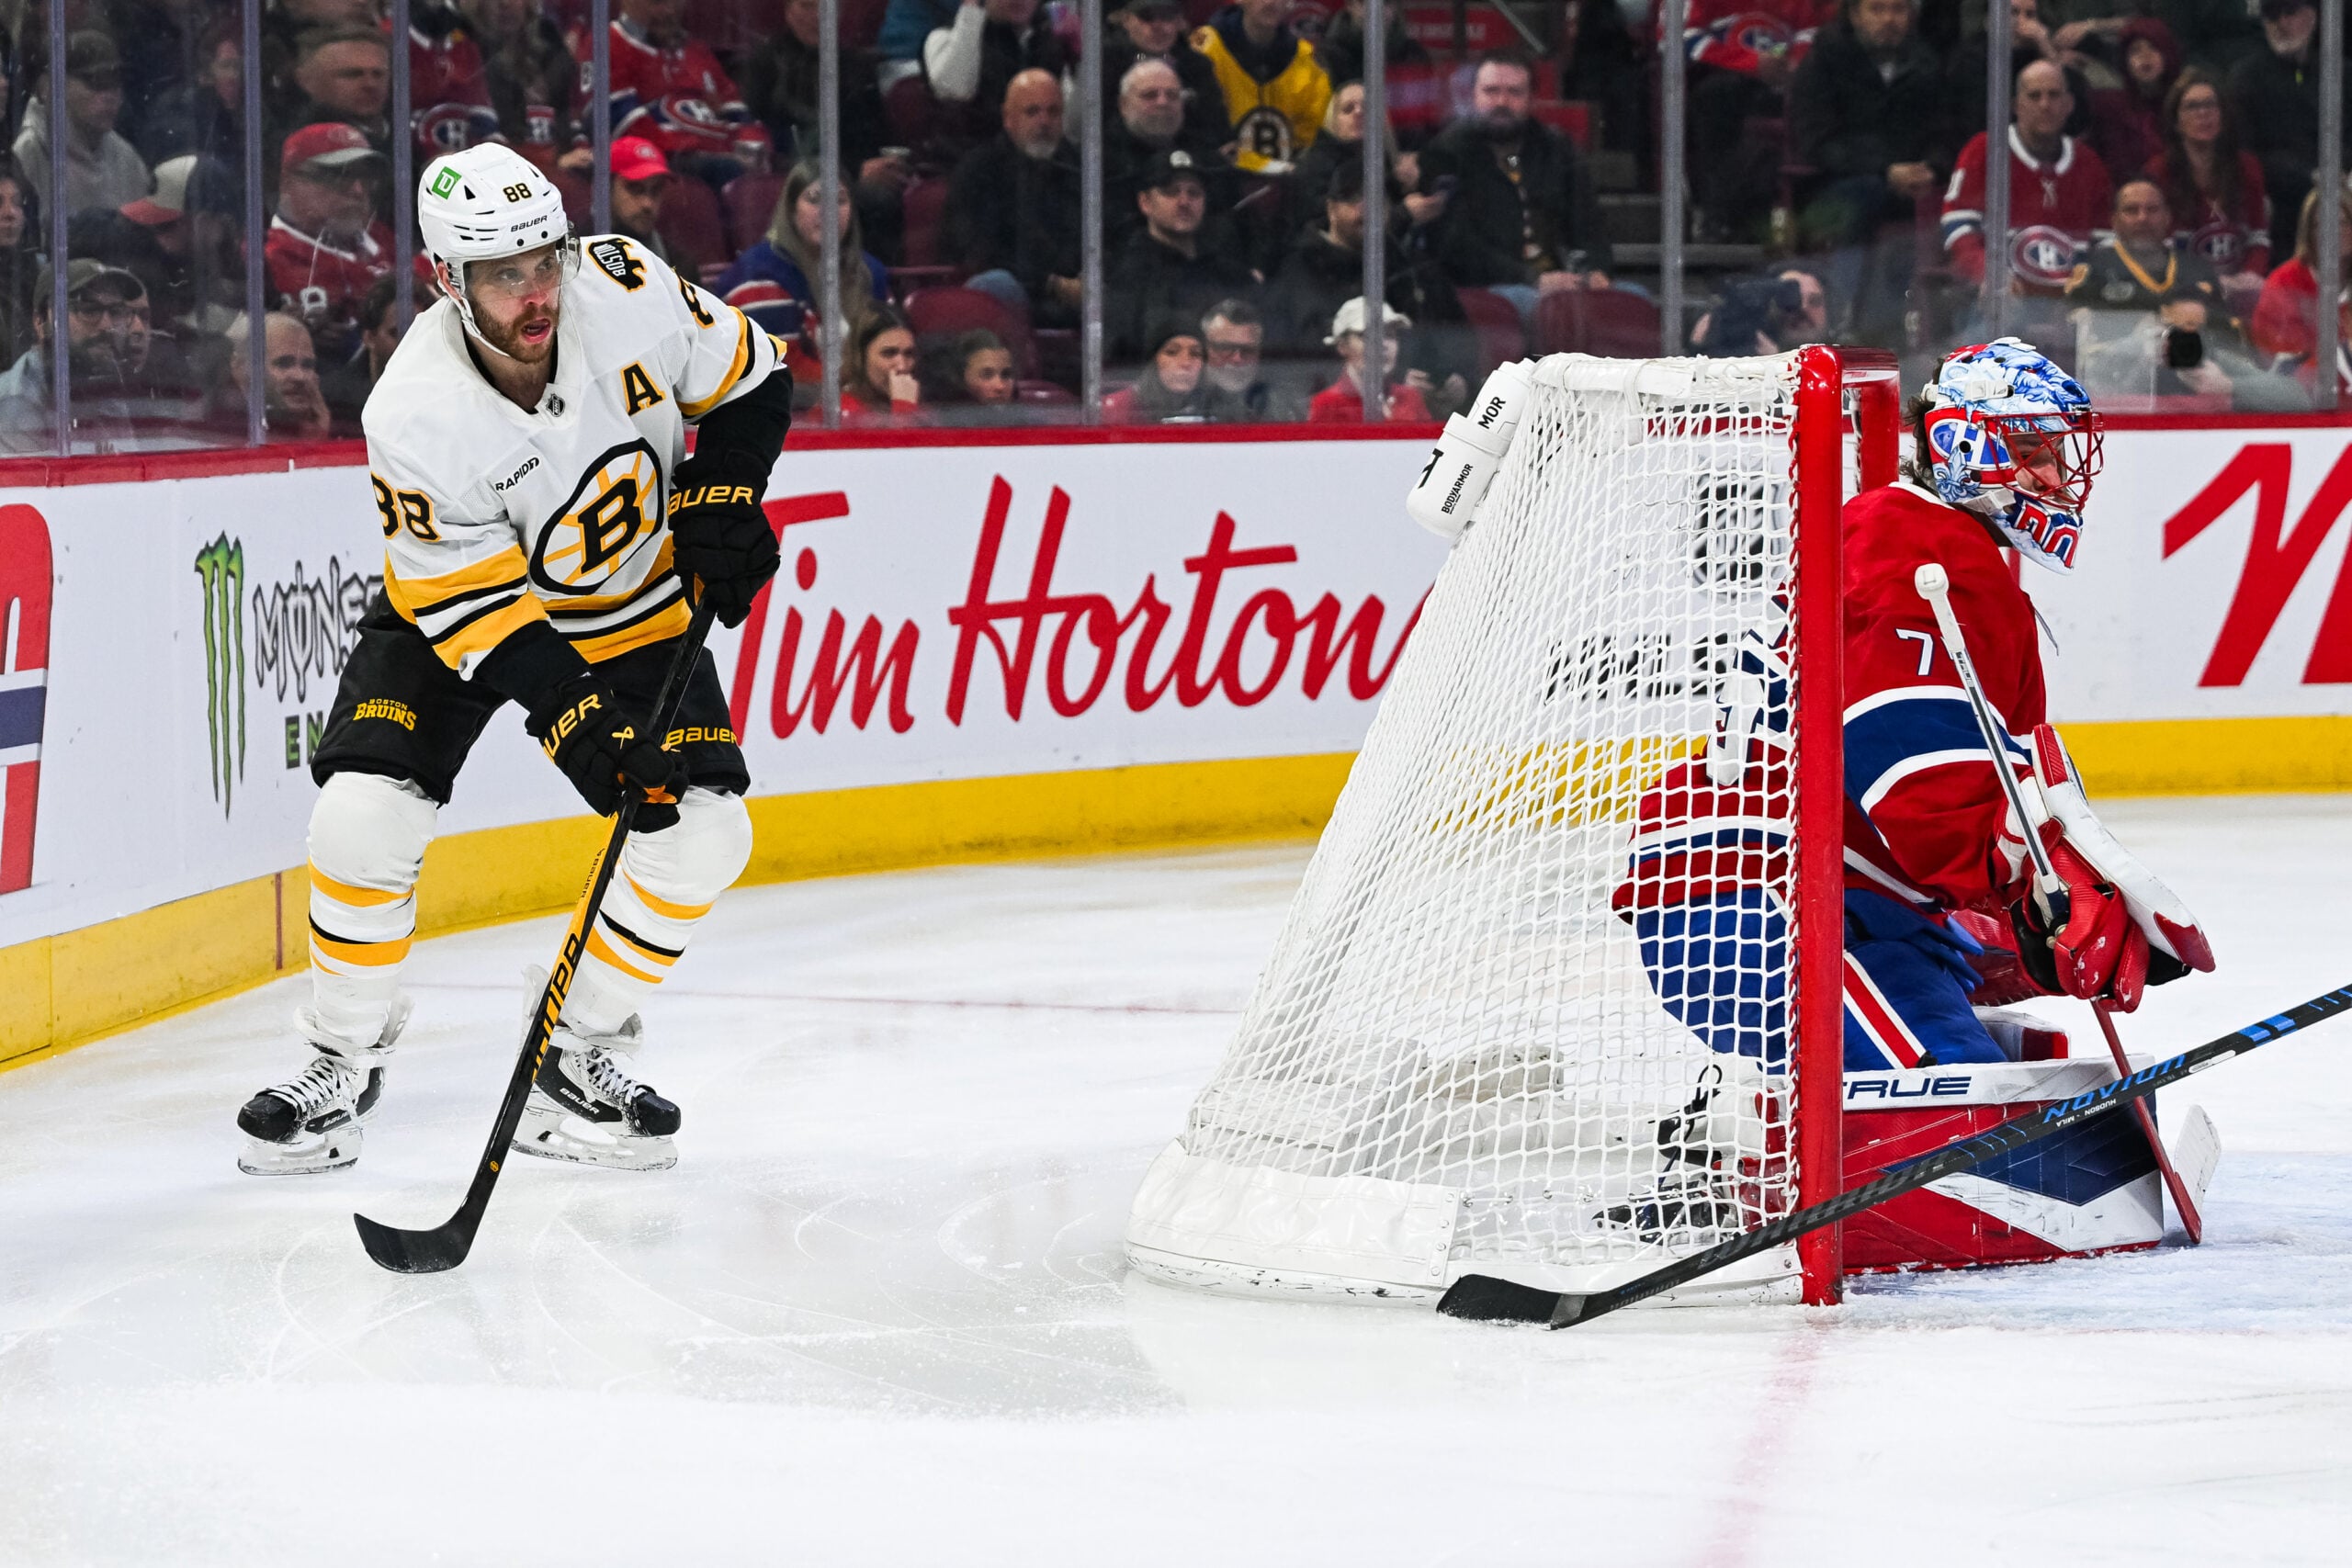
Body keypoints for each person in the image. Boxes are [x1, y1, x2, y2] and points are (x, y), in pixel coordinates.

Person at [234, 142, 787, 1177]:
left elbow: (754, 383)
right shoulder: (413, 411)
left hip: (630, 603)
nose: (537, 293)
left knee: (706, 834)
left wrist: (724, 491)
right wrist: (573, 719)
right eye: (502, 275)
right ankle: (339, 1059)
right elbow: (473, 605)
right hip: (464, 614)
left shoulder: (622, 285)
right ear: (449, 280)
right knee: (364, 811)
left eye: (545, 259)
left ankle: (572, 1053)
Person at [1613, 341, 2208, 1199]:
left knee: (2058, 1127)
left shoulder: (1938, 547)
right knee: (2004, 1160)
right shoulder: (1912, 556)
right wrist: (2025, 888)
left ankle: (1754, 1118)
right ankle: (1748, 1138)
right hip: (1756, 904)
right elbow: (1918, 783)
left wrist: (2049, 913)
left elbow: (1992, 780)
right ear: (1972, 445)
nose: (2060, 472)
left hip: (1845, 894)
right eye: (2035, 447)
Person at [1787, 0, 1952, 337]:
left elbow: (1945, 130)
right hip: (1832, 187)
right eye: (1877, 9)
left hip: (1912, 186)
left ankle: (1912, 327)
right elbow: (1818, 143)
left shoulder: (1928, 64)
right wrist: (1885, 169)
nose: (1889, 19)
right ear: (1855, 14)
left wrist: (1931, 169)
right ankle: (1841, 314)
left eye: (1898, 10)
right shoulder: (1824, 60)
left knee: (1930, 208)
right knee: (1865, 196)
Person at [1416, 53, 1612, 333]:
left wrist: (1596, 269)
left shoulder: (1557, 148)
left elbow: (1589, 223)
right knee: (1538, 307)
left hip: (1563, 279)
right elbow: (1453, 246)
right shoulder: (1445, 153)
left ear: (1532, 98)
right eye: (1491, 91)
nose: (1501, 103)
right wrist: (1530, 278)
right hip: (1487, 285)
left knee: (1631, 299)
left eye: (1514, 93)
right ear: (1473, 95)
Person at [1265, 160, 1464, 407]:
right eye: (1353, 200)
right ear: (1331, 210)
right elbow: (1309, 355)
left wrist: (1458, 378)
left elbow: (1452, 330)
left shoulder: (1410, 267)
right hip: (1338, 419)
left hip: (1420, 418)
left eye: (1377, 200)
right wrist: (1396, 383)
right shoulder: (1300, 270)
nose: (1367, 209)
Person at [1942, 59, 2113, 319]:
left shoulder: (2089, 163)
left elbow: (2106, 241)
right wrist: (1985, 270)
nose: (2045, 105)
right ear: (2016, 105)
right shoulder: (1984, 150)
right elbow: (1957, 226)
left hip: (2071, 308)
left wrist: (2089, 290)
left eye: (2054, 95)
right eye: (2034, 96)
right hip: (2001, 301)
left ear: (2069, 105)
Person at [739, 0, 907, 250]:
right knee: (870, 201)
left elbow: (875, 134)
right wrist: (854, 171)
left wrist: (882, 164)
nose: (817, 16)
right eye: (807, 6)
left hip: (851, 175)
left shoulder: (857, 66)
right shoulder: (765, 65)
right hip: (794, 175)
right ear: (788, 11)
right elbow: (771, 142)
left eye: (825, 8)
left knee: (886, 195)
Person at [1682, 0, 1834, 242]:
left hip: (1784, 81)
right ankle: (1719, 214)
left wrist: (1794, 63)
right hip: (1720, 80)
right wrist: (1750, 62)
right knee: (1718, 98)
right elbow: (1678, 38)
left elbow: (1812, 32)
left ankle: (1782, 222)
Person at [944, 69, 1083, 325]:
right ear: (1008, 118)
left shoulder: (1079, 167)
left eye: (1053, 112)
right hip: (1018, 296)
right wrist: (1051, 284)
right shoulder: (980, 170)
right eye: (1032, 112)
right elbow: (979, 252)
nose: (1044, 122)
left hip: (1082, 295)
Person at [592, 0, 770, 183]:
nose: (669, 12)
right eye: (657, 3)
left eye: (675, 3)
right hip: (663, 160)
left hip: (717, 154)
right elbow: (626, 122)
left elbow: (737, 110)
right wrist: (689, 146)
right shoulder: (608, 43)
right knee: (727, 170)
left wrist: (752, 145)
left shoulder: (696, 50)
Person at [716, 159, 891, 344]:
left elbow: (892, 347)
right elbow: (781, 366)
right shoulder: (759, 274)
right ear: (791, 210)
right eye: (814, 200)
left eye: (840, 200)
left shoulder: (869, 271)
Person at [1106, 147, 1259, 360]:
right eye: (1171, 191)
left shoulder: (1228, 272)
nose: (1184, 201)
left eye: (1194, 192)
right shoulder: (1128, 275)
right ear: (1145, 203)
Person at [2227, 0, 2344, 269]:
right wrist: (2310, 175)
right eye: (2271, 16)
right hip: (2281, 203)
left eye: (2289, 13)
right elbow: (2246, 151)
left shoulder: (2341, 73)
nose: (2280, 24)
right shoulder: (2246, 78)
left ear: (2313, 16)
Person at [266, 122, 396, 365]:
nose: (358, 191)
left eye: (365, 178)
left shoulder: (385, 240)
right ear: (287, 183)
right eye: (339, 176)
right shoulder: (265, 258)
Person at [0, 258, 158, 453]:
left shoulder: (105, 383)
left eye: (117, 311)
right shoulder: (12, 403)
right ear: (41, 321)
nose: (107, 326)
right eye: (89, 310)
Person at [2150, 70, 2269, 308]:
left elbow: (2258, 238)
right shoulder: (2158, 172)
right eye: (2192, 106)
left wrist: (2250, 276)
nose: (2203, 113)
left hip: (2239, 291)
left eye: (2210, 104)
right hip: (2181, 292)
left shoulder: (2248, 167)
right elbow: (2160, 248)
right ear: (2176, 121)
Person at [15, 32, 153, 220]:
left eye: (115, 82)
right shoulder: (28, 152)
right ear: (50, 86)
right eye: (95, 82)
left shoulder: (127, 158)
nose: (109, 95)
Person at [1191, 0, 1332, 173]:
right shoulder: (1207, 49)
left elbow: (1313, 137)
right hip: (1220, 175)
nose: (1272, 2)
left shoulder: (1305, 59)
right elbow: (1204, 133)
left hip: (1287, 180)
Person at [1104, 58, 1233, 248]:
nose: (1163, 102)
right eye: (1150, 95)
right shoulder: (1099, 161)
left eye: (1172, 95)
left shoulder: (1206, 156)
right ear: (1123, 104)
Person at [923, 0, 1071, 132]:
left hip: (1041, 158)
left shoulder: (1048, 44)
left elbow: (1072, 129)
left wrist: (1079, 66)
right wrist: (971, 11)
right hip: (973, 157)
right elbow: (957, 91)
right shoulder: (943, 38)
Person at [322, 271, 439, 431]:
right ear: (369, 337)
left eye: (418, 333)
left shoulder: (445, 396)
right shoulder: (338, 401)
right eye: (396, 334)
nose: (408, 345)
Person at [1101, 0, 1227, 147]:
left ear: (1180, 22)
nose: (1157, 26)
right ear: (1126, 20)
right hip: (1120, 157)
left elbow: (1217, 128)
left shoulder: (1197, 66)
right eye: (1146, 16)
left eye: (1167, 16)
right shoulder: (1104, 64)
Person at [2251, 186, 2352, 364]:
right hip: (2299, 388)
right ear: (2309, 233)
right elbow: (2282, 364)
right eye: (2321, 224)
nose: (2333, 232)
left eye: (2342, 222)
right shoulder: (2284, 284)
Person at [213, 308, 334, 440]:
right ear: (241, 367)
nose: (300, 376)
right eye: (283, 363)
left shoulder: (338, 417)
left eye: (307, 365)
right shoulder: (213, 428)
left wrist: (316, 439)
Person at [1307, 295, 1430, 423]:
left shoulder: (1411, 398)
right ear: (1342, 346)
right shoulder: (1326, 406)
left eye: (1390, 335)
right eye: (1367, 336)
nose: (1383, 344)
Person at [2086, 17, 2182, 180]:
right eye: (2135, 50)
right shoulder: (2110, 106)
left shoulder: (2184, 104)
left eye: (2153, 48)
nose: (2145, 56)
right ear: (2125, 62)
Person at [286, 27, 394, 155]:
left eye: (378, 74)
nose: (370, 84)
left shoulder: (413, 135)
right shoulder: (293, 147)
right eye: (352, 74)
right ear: (306, 81)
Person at [1690, 265, 1829, 355]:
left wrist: (1777, 366)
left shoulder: (1845, 362)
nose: (1802, 308)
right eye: (1789, 300)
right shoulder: (1731, 334)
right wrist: (1696, 350)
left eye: (1814, 301)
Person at [1199, 297, 1299, 421]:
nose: (1237, 359)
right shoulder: (1182, 391)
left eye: (1248, 350)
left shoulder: (1284, 405)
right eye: (1225, 347)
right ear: (1206, 347)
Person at [1102, 318, 1209, 422]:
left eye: (1195, 354)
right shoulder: (1118, 409)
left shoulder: (1220, 404)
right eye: (1172, 352)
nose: (1186, 363)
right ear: (1153, 361)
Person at [919, 326, 1021, 421]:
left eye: (1006, 375)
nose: (1000, 386)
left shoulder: (1027, 423)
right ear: (960, 379)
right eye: (987, 375)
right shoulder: (936, 424)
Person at [842, 307, 924, 423]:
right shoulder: (837, 413)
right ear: (860, 357)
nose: (902, 366)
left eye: (909, 354)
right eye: (889, 353)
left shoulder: (919, 405)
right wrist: (904, 411)